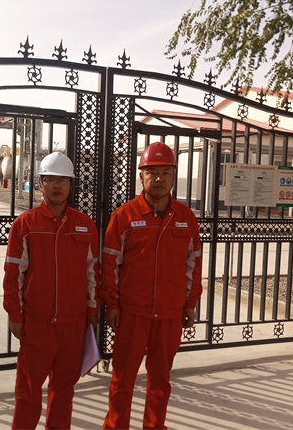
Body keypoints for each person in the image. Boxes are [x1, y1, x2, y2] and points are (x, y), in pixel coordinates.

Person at [101, 141, 202, 430]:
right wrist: (112, 305)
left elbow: (193, 266)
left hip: (170, 313)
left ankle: (155, 426)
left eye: (166, 173)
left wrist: (190, 304)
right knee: (123, 378)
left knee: (160, 380)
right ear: (141, 175)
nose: (159, 179)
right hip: (133, 312)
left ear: (174, 175)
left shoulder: (185, 217)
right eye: (152, 172)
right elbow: (109, 265)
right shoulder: (124, 216)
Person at [3, 151, 101, 430]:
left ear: (71, 185)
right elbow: (13, 275)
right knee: (28, 391)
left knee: (64, 390)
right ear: (40, 183)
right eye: (50, 179)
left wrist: (92, 309)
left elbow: (93, 273)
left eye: (63, 180)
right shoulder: (26, 224)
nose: (57, 186)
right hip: (37, 324)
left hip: (73, 324)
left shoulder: (85, 225)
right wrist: (15, 315)